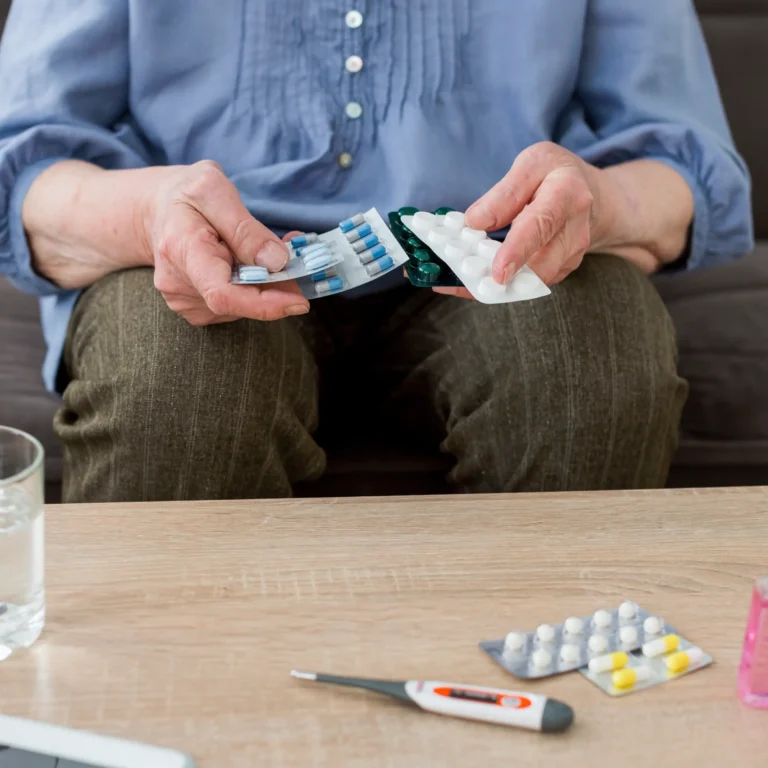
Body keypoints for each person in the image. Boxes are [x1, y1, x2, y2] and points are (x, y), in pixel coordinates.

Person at [0, 1, 753, 502]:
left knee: (589, 362)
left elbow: (684, 169)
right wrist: (149, 215)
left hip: (491, 261)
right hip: (202, 265)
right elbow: (24, 170)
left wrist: (602, 200)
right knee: (179, 387)